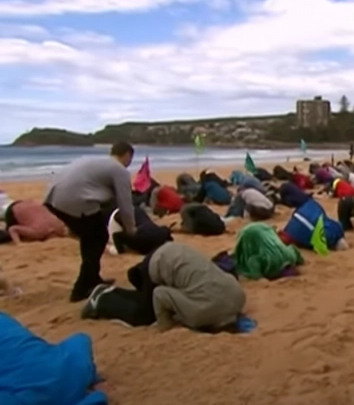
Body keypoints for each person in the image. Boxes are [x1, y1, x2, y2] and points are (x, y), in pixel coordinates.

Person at [44, 142, 137, 302]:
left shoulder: (93, 160)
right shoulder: (119, 170)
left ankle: (93, 278)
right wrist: (131, 228)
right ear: (127, 155)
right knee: (97, 238)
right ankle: (81, 288)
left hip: (52, 199)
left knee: (92, 237)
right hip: (77, 201)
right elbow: (125, 203)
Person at [85, 241, 246, 331]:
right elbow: (160, 293)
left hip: (176, 252)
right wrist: (164, 324)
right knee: (144, 317)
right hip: (159, 262)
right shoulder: (199, 315)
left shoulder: (239, 297)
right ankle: (101, 301)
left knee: (147, 300)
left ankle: (113, 291)